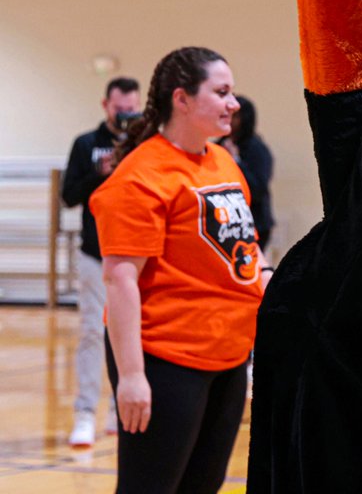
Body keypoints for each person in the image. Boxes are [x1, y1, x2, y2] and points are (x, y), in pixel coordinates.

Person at [91, 47, 268, 494]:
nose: (235, 104)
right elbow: (119, 279)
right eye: (222, 92)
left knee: (203, 486)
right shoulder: (140, 176)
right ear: (182, 99)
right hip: (166, 359)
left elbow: (246, 252)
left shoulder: (223, 161)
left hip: (229, 354)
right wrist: (131, 376)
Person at [62, 76, 140, 447]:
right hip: (95, 255)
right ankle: (84, 413)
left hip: (133, 256)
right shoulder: (86, 144)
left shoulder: (142, 143)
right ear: (105, 105)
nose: (125, 115)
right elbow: (68, 196)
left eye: (131, 109)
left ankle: (116, 410)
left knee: (127, 334)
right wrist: (99, 174)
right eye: (119, 108)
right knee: (93, 331)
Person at [221, 95, 275, 251]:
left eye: (235, 116)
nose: (230, 120)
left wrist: (236, 159)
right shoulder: (219, 145)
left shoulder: (256, 148)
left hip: (255, 222)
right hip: (226, 222)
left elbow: (258, 189)